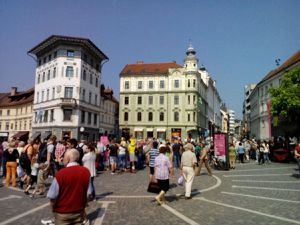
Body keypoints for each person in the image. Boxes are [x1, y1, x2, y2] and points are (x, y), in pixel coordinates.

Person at [47, 148, 92, 225]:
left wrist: (53, 211)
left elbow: (52, 197)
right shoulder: (86, 172)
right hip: (79, 212)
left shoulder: (61, 174)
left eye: (64, 157)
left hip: (62, 213)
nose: (62, 159)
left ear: (68, 159)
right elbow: (89, 194)